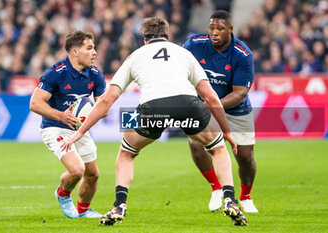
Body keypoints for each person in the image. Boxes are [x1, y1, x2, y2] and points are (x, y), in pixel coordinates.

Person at [61, 17, 248, 226]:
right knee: (218, 148)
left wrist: (80, 131)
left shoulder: (135, 56)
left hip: (152, 108)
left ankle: (119, 205)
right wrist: (227, 131)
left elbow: (107, 100)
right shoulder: (183, 53)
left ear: (144, 40)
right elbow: (211, 97)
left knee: (126, 153)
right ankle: (230, 199)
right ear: (166, 36)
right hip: (188, 104)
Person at [183, 10, 258, 213]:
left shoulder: (243, 54)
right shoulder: (194, 44)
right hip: (205, 107)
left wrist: (213, 104)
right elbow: (179, 69)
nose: (214, 33)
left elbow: (240, 93)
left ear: (230, 30)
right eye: (212, 28)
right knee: (196, 144)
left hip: (236, 110)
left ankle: (246, 196)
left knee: (245, 157)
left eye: (220, 29)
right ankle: (217, 188)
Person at [29, 31, 106, 219]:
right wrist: (61, 116)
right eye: (89, 48)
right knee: (77, 170)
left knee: (93, 174)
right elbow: (35, 103)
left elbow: (103, 106)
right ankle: (63, 194)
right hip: (54, 127)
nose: (95, 52)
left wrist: (94, 113)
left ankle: (83, 210)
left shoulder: (95, 74)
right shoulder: (55, 73)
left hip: (78, 128)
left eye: (94, 47)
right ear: (75, 52)